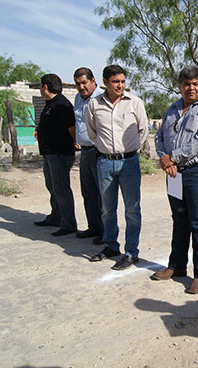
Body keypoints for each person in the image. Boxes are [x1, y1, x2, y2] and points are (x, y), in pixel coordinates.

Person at [151, 65, 198, 294]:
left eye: (195, 84)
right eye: (186, 84)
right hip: (174, 174)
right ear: (180, 86)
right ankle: (177, 266)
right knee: (179, 221)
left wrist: (173, 159)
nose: (191, 88)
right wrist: (163, 158)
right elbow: (159, 136)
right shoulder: (172, 109)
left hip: (196, 173)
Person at [86, 65, 149, 270]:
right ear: (105, 82)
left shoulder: (135, 103)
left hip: (129, 162)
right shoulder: (94, 105)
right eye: (116, 82)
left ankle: (131, 252)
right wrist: (107, 150)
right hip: (104, 162)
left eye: (122, 81)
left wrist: (128, 150)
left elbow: (143, 130)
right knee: (107, 209)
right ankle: (111, 246)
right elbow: (92, 132)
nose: (120, 85)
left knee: (132, 210)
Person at [34, 74, 78, 237]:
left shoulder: (61, 104)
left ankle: (69, 223)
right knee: (52, 186)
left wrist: (74, 142)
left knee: (61, 189)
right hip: (49, 153)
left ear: (45, 86)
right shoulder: (50, 104)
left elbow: (71, 127)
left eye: (40, 86)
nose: (40, 89)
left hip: (60, 154)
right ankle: (56, 216)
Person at [73, 67, 104, 245]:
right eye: (78, 84)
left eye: (84, 82)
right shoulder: (78, 98)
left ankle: (105, 231)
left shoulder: (102, 98)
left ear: (93, 81)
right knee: (88, 192)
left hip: (98, 151)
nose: (81, 87)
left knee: (102, 194)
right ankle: (93, 226)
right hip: (84, 151)